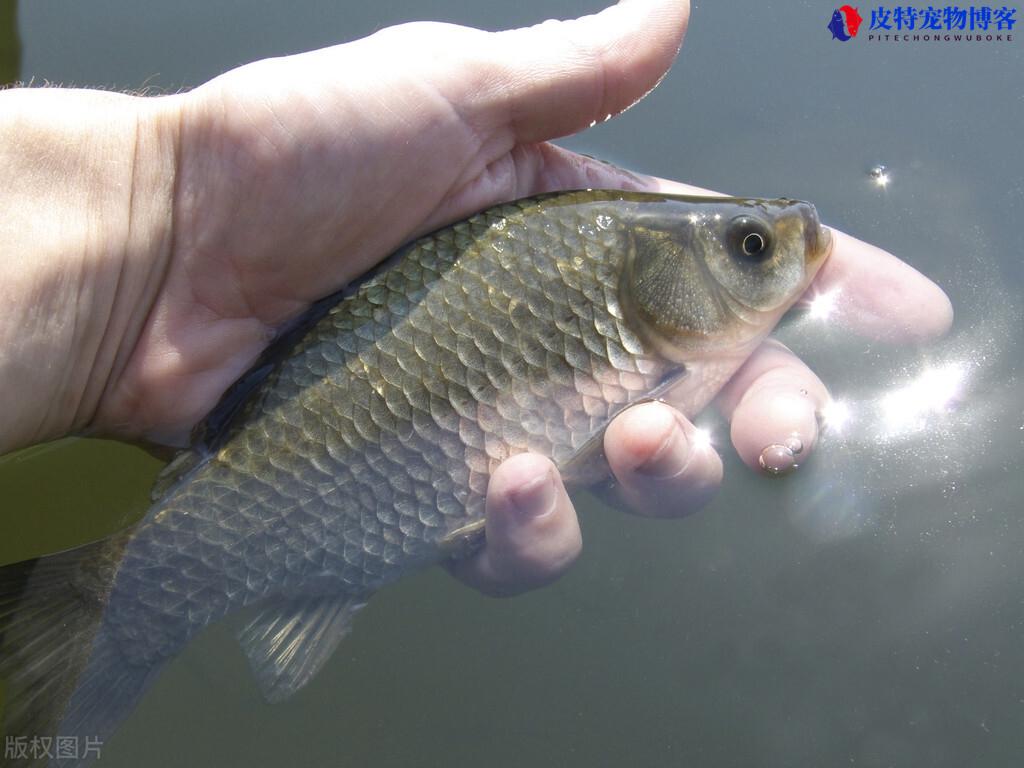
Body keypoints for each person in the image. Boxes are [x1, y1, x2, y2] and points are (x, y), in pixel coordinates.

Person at [0, 0, 950, 596]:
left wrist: (146, 224)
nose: (776, 251)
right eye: (751, 248)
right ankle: (98, 598)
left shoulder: (621, 280)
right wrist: (157, 210)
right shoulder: (613, 278)